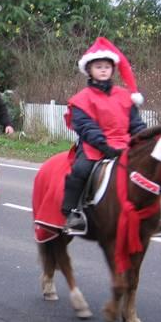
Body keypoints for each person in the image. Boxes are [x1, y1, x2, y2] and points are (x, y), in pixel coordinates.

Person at [62, 37, 147, 233]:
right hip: (95, 147)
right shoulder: (81, 99)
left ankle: (150, 214)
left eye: (107, 66)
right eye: (98, 66)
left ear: (112, 69)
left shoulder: (124, 96)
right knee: (80, 170)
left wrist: (145, 141)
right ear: (90, 70)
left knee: (149, 170)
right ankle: (71, 212)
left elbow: (135, 124)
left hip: (125, 144)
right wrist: (105, 147)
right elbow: (86, 127)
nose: (103, 70)